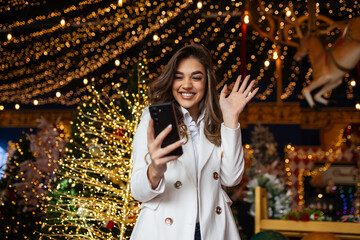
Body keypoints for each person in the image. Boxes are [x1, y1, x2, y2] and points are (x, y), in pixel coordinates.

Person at [130, 44, 258, 240]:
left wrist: (231, 119)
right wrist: (155, 169)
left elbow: (231, 179)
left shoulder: (216, 121)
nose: (187, 85)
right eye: (179, 77)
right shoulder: (153, 119)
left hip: (213, 230)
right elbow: (138, 192)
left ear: (207, 82)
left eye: (196, 77)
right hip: (164, 231)